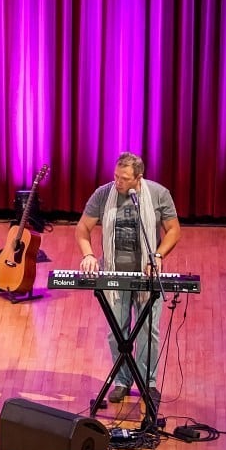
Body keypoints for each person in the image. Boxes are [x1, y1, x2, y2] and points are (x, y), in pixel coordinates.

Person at [75, 151, 181, 405]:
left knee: (148, 331)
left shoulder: (158, 194)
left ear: (138, 179)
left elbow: (174, 230)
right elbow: (82, 228)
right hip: (114, 273)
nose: (118, 182)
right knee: (116, 332)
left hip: (146, 274)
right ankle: (122, 381)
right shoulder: (103, 194)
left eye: (124, 178)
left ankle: (148, 382)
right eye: (115, 176)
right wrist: (88, 254)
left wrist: (158, 254)